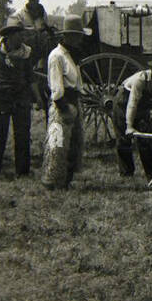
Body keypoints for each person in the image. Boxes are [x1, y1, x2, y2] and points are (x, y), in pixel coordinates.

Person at [0, 18, 41, 176]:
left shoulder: (26, 53)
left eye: (23, 35)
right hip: (1, 99)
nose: (22, 38)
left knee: (23, 135)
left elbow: (31, 78)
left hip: (22, 99)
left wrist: (38, 98)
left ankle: (22, 170)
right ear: (9, 37)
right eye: (19, 35)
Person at [43, 14, 88, 188]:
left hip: (73, 101)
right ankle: (52, 180)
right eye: (76, 36)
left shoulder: (71, 56)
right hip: (63, 103)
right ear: (67, 36)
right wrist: (63, 105)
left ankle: (66, 179)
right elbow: (56, 85)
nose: (79, 39)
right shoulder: (57, 56)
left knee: (73, 143)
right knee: (57, 144)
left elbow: (77, 81)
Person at [113, 54, 152, 178]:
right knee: (124, 139)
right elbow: (132, 103)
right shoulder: (140, 79)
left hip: (141, 107)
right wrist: (129, 126)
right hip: (123, 103)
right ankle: (126, 173)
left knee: (146, 138)